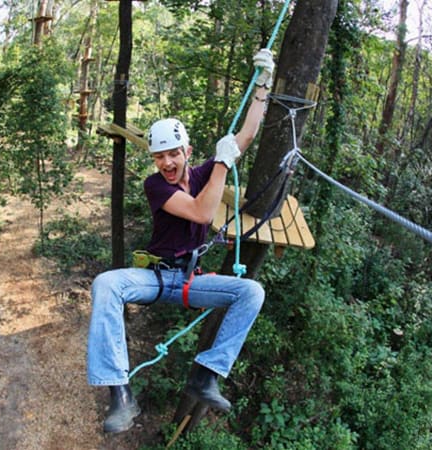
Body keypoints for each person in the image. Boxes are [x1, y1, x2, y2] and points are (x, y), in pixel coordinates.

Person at [87, 48, 275, 434]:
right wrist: (222, 164)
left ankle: (205, 376)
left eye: (174, 154)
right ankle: (120, 394)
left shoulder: (204, 171)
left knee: (251, 292)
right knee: (106, 283)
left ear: (188, 152)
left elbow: (248, 133)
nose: (167, 163)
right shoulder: (155, 186)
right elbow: (203, 214)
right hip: (156, 279)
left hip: (191, 282)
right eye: (159, 157)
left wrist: (262, 84)